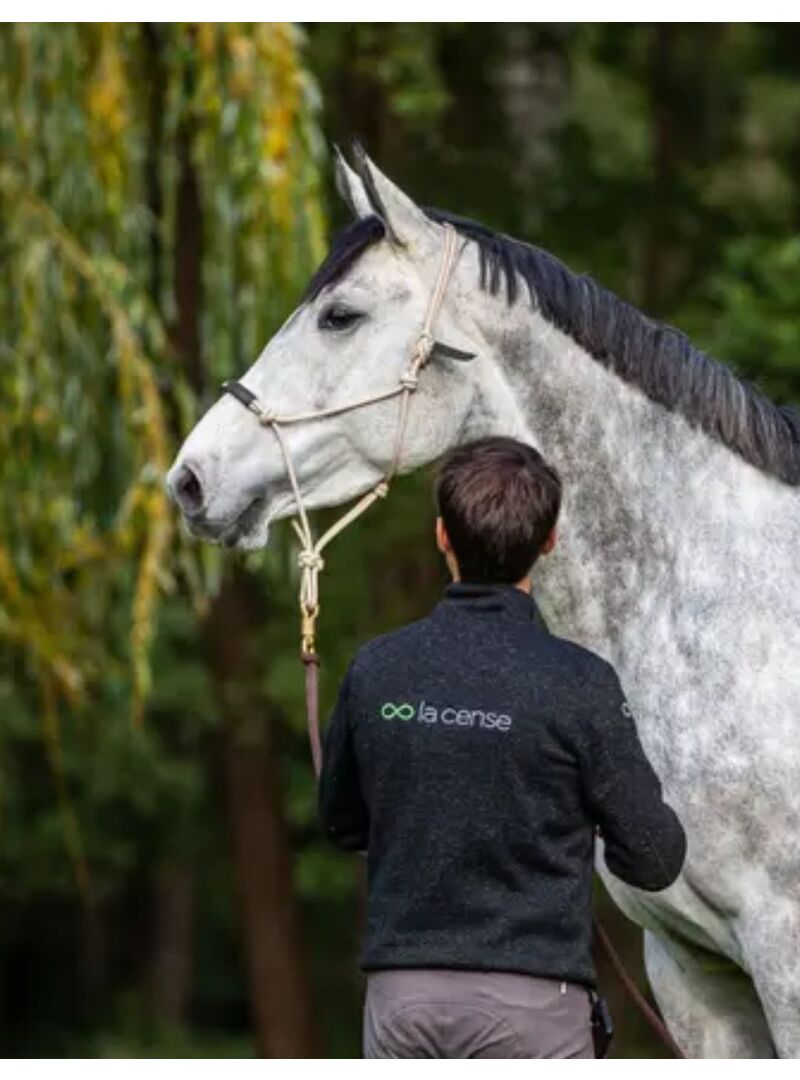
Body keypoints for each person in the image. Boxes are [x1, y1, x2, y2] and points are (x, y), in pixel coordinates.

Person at [318, 436, 686, 1059]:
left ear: (442, 536)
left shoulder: (376, 670)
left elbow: (342, 823)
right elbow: (655, 857)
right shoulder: (580, 682)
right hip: (535, 1009)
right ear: (548, 541)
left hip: (401, 1004)